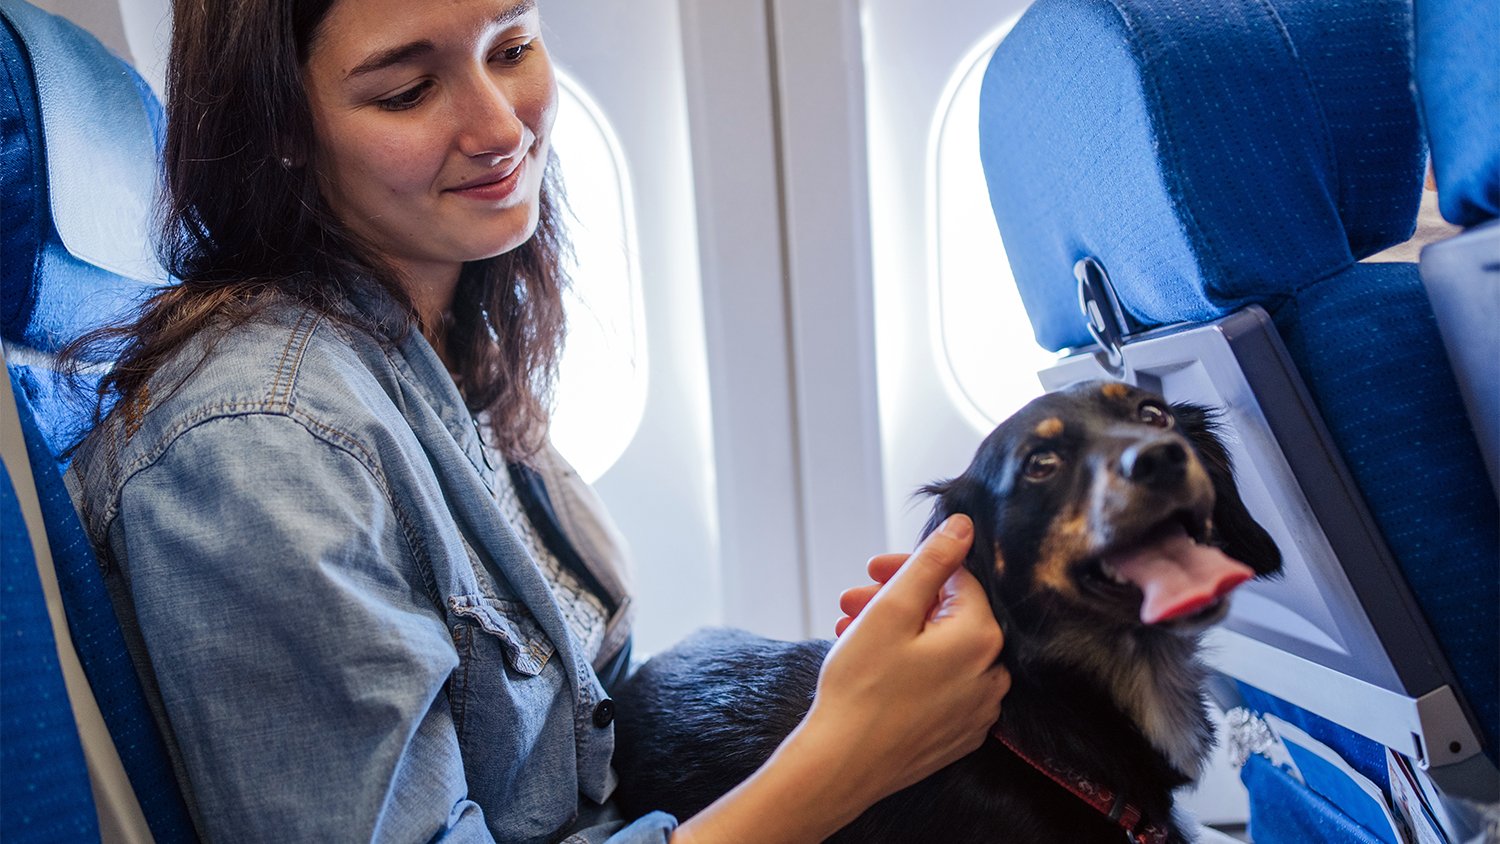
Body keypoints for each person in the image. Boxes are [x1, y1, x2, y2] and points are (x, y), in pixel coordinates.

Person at [65, 0, 1011, 840]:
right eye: (406, 92)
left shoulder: (436, 343)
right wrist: (849, 756)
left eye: (511, 46)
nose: (497, 124)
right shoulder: (261, 443)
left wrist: (846, 696)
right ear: (281, 126)